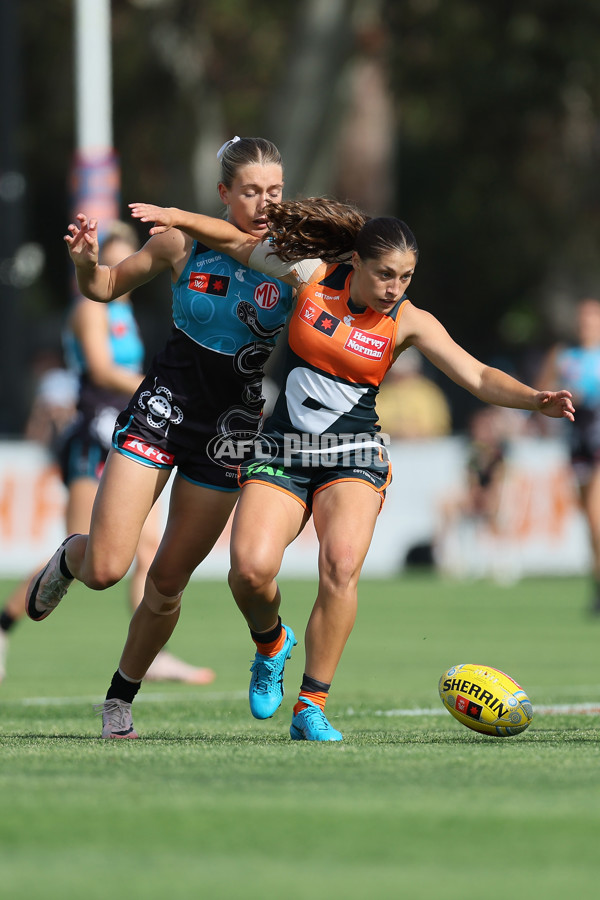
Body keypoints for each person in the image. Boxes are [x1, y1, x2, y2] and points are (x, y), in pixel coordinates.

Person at [127, 196, 575, 742]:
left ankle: (311, 706)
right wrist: (178, 219)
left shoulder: (408, 321)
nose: (395, 287)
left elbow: (477, 376)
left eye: (406, 277)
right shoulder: (311, 277)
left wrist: (536, 399)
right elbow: (235, 243)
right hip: (283, 450)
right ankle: (270, 642)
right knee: (248, 571)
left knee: (339, 566)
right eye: (385, 274)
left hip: (354, 454)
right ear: (358, 263)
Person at [25, 137, 294, 738]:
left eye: (274, 191)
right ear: (224, 193)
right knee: (106, 570)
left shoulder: (291, 258)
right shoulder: (178, 241)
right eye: (250, 191)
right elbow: (102, 289)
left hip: (228, 432)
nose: (264, 202)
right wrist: (83, 263)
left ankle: (119, 701)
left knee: (167, 583)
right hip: (161, 410)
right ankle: (74, 555)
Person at [0, 224, 213, 687]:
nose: (124, 271)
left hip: (138, 431)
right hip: (93, 437)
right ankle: (3, 624)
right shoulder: (90, 311)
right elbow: (99, 369)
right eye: (112, 262)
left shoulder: (127, 311)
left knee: (151, 547)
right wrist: (164, 391)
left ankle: (151, 654)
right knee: (87, 549)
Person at [537, 296, 600, 613]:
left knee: (594, 514)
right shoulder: (564, 356)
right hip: (577, 443)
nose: (585, 323)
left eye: (592, 317)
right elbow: (541, 392)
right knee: (590, 521)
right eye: (582, 318)